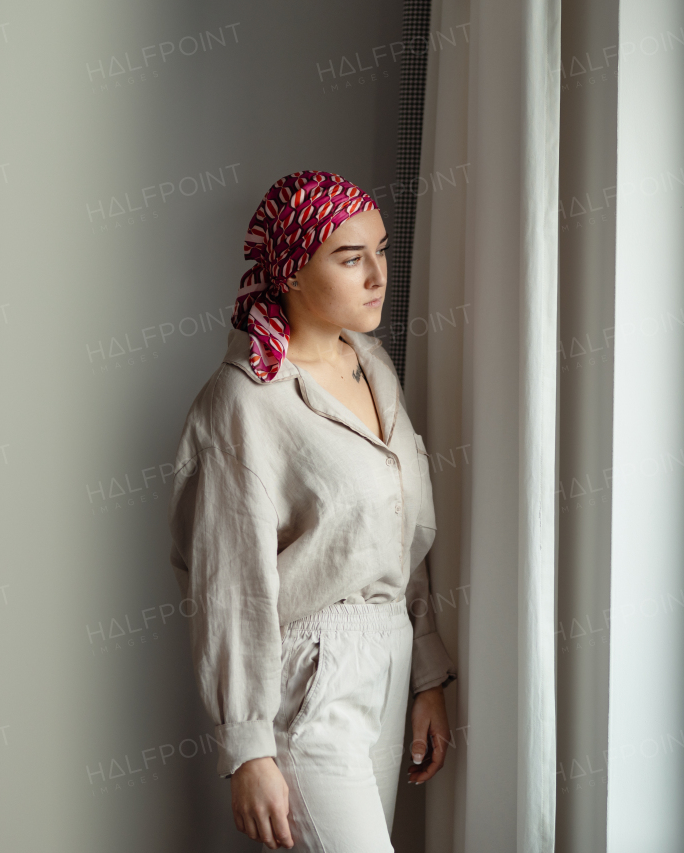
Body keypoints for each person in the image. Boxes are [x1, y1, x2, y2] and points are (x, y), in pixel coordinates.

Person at [168, 171, 457, 851]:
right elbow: (229, 585)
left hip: (390, 655)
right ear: (292, 271)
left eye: (381, 251)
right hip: (307, 678)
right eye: (350, 258)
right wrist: (247, 747)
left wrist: (426, 673)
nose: (377, 275)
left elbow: (397, 534)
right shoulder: (243, 401)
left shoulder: (374, 367)